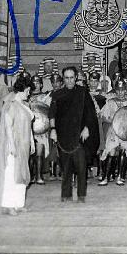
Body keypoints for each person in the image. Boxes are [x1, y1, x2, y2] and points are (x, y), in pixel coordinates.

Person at [49, 66, 99, 202]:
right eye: (67, 78)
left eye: (72, 77)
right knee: (65, 167)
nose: (70, 81)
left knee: (81, 166)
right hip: (63, 134)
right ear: (63, 78)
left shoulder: (83, 92)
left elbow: (90, 113)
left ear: (76, 77)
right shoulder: (57, 94)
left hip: (79, 135)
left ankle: (81, 194)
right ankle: (66, 194)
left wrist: (88, 128)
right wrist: (53, 129)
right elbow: (52, 114)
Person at [0, 74, 35, 215]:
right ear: (23, 89)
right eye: (28, 91)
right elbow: (8, 126)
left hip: (25, 143)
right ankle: (9, 205)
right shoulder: (11, 105)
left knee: (22, 173)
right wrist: (11, 144)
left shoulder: (25, 105)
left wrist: (32, 142)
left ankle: (18, 203)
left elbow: (29, 126)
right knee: (11, 174)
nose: (29, 94)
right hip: (15, 143)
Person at [97, 76, 127, 186]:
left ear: (126, 90)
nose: (120, 92)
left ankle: (120, 176)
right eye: (118, 90)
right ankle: (106, 177)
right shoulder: (110, 102)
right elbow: (103, 116)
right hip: (113, 131)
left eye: (122, 90)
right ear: (115, 90)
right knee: (111, 151)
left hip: (126, 131)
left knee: (124, 151)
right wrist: (110, 119)